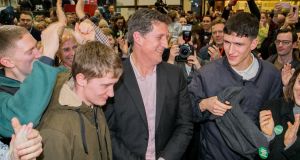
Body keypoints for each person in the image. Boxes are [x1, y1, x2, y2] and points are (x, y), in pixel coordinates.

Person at [189, 12, 282, 160]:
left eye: (238, 44)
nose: (230, 51)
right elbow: (187, 111)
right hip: (214, 155)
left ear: (254, 43)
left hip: (255, 155)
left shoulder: (271, 75)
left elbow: (277, 120)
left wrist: (270, 135)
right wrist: (204, 104)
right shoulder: (206, 74)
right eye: (227, 42)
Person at [105, 8, 193, 160]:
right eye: (159, 38)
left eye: (167, 38)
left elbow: (185, 125)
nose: (165, 45)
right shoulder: (113, 76)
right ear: (138, 38)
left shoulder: (175, 75)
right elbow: (107, 130)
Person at [37, 41, 122, 160]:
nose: (111, 93)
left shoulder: (92, 101)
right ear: (81, 79)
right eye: (105, 85)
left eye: (113, 85)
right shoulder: (55, 132)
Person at [0, 22, 65, 138]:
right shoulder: (2, 92)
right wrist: (48, 54)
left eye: (36, 46)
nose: (39, 54)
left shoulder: (50, 74)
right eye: (30, 51)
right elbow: (20, 121)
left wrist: (86, 42)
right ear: (7, 62)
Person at [260, 65, 300, 160]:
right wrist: (267, 137)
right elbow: (256, 154)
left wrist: (291, 145)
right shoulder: (271, 108)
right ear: (293, 82)